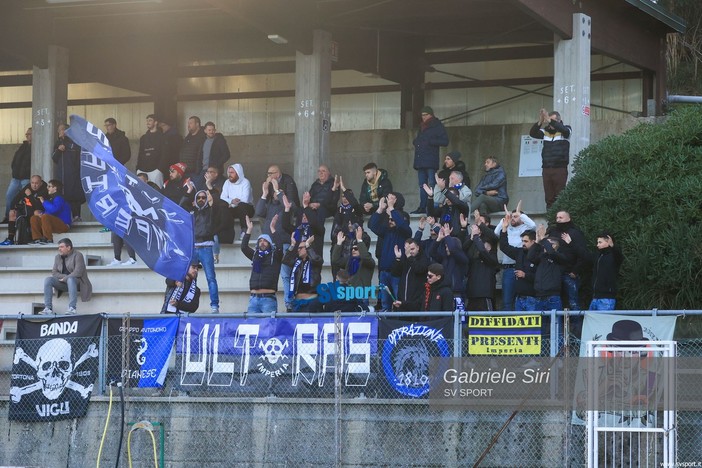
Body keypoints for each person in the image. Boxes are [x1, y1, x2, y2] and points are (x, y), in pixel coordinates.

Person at [368, 194, 412, 311]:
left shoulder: (404, 232)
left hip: (398, 273)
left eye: (393, 219)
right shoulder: (386, 231)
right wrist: (380, 209)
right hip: (384, 272)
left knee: (399, 303)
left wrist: (392, 209)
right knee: (385, 305)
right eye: (389, 219)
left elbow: (402, 224)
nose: (390, 221)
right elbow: (372, 225)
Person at [562, 231, 624, 311]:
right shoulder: (597, 256)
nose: (597, 245)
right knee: (592, 322)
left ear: (608, 242)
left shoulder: (614, 256)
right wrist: (571, 243)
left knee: (602, 322)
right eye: (597, 242)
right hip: (595, 298)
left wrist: (613, 247)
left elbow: (619, 256)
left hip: (607, 298)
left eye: (600, 242)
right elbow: (584, 254)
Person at [493, 201, 536, 311]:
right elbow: (495, 233)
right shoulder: (506, 228)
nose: (512, 218)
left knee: (523, 299)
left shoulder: (526, 229)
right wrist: (504, 220)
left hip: (522, 268)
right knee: (507, 301)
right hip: (509, 269)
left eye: (515, 217)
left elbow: (533, 225)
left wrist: (520, 215)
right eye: (511, 216)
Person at [529, 109, 571, 209]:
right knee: (549, 198)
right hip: (547, 169)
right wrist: (540, 121)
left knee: (560, 196)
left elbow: (565, 131)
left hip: (560, 168)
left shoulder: (566, 130)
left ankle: (560, 219)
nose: (549, 123)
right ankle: (551, 221)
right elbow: (532, 133)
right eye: (548, 120)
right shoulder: (545, 132)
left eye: (552, 121)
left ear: (559, 121)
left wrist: (549, 119)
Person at [241, 215, 283, 314]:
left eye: (265, 241)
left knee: (269, 328)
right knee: (251, 328)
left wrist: (272, 228)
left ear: (270, 243)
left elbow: (280, 247)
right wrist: (249, 230)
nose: (262, 242)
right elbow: (244, 247)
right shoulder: (255, 255)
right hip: (253, 299)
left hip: (268, 299)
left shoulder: (275, 256)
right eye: (260, 241)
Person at [412, 106, 449, 214]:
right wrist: (417, 142)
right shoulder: (422, 126)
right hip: (420, 160)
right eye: (422, 115)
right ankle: (422, 206)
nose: (423, 117)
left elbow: (445, 141)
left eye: (425, 115)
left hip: (431, 160)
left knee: (432, 184)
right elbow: (420, 139)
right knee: (422, 185)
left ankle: (431, 206)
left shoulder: (437, 125)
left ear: (431, 115)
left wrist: (429, 142)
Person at [547, 210, 587, 310]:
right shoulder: (552, 232)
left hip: (569, 273)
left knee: (573, 302)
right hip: (554, 273)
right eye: (557, 218)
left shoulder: (575, 233)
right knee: (554, 302)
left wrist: (575, 270)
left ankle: (576, 325)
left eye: (561, 218)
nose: (558, 220)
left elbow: (583, 254)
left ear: (568, 219)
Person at [41, 238, 92, 315]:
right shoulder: (57, 257)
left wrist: (65, 278)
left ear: (68, 247)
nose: (59, 249)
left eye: (61, 247)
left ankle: (72, 308)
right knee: (48, 280)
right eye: (59, 247)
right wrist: (64, 277)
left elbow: (78, 272)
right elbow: (54, 272)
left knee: (71, 279)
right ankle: (48, 308)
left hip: (78, 283)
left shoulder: (78, 255)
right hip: (64, 283)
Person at [189, 189, 221, 313]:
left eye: (204, 197)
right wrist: (188, 193)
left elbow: (217, 216)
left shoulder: (212, 211)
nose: (201, 199)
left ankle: (214, 306)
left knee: (211, 278)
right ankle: (189, 304)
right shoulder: (192, 213)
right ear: (195, 200)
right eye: (199, 198)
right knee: (191, 278)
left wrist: (212, 202)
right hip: (193, 248)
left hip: (207, 248)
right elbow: (180, 206)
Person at [498, 223, 538, 312]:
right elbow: (504, 246)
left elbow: (541, 277)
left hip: (533, 298)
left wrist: (525, 275)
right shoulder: (519, 252)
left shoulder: (540, 254)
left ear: (533, 241)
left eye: (526, 241)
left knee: (533, 324)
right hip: (519, 298)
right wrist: (504, 229)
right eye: (522, 241)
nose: (523, 243)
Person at [1, 175, 47, 245]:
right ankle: (10, 238)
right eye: (32, 183)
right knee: (12, 213)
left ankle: (37, 237)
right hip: (28, 210)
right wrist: (12, 208)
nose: (34, 185)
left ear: (40, 183)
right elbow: (16, 198)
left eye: (36, 183)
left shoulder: (44, 189)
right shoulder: (28, 186)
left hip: (39, 210)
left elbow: (37, 206)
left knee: (36, 212)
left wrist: (30, 196)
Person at [464, 224, 500, 311]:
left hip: (485, 294)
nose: (482, 246)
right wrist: (472, 238)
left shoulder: (492, 258)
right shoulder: (474, 258)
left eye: (484, 244)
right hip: (472, 293)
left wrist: (476, 236)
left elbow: (482, 251)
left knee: (486, 320)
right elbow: (463, 249)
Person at [283, 233, 323, 312]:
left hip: (311, 301)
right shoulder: (297, 262)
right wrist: (292, 245)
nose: (298, 250)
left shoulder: (316, 260)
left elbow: (315, 260)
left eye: (301, 248)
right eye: (298, 248)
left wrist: (308, 245)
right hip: (298, 302)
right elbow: (285, 260)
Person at [52, 124, 84, 221]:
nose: (60, 132)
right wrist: (58, 150)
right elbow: (54, 158)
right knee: (62, 196)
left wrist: (66, 145)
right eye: (59, 130)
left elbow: (80, 152)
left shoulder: (75, 141)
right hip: (61, 175)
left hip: (74, 174)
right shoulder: (57, 143)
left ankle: (76, 216)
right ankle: (64, 218)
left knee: (74, 196)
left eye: (62, 130)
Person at [331, 226, 375, 293]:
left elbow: (365, 257)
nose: (353, 250)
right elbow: (335, 261)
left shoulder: (368, 261)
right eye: (352, 248)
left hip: (362, 294)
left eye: (356, 249)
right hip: (349, 293)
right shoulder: (350, 260)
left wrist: (359, 241)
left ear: (362, 248)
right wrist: (339, 243)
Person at [391, 238, 430, 312]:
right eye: (407, 250)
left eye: (412, 249)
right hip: (403, 301)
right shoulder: (406, 260)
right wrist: (398, 259)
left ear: (418, 248)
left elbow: (419, 269)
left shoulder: (424, 259)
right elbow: (395, 273)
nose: (410, 252)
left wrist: (409, 257)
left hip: (416, 302)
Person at [3, 127, 32, 223]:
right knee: (9, 196)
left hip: (27, 178)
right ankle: (8, 217)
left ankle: (26, 216)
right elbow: (15, 160)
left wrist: (27, 172)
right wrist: (14, 170)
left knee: (27, 198)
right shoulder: (22, 146)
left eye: (29, 134)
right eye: (26, 134)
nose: (27, 136)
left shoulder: (36, 147)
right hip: (16, 178)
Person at [31, 179, 72, 244]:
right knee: (34, 218)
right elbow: (48, 213)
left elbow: (54, 210)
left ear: (55, 188)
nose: (47, 188)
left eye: (49, 186)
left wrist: (44, 202)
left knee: (45, 217)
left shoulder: (59, 198)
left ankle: (48, 239)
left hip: (64, 225)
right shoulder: (51, 198)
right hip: (53, 224)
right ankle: (37, 239)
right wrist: (40, 214)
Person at [220, 163, 254, 240]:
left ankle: (244, 231)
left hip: (247, 209)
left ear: (238, 173)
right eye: (228, 172)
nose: (229, 174)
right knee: (222, 207)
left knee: (241, 205)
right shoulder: (227, 182)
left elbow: (245, 200)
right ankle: (226, 234)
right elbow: (222, 197)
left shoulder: (245, 182)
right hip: (233, 208)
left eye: (232, 172)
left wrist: (231, 203)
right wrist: (231, 201)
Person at [136, 114, 166, 187]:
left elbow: (165, 154)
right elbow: (140, 154)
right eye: (147, 121)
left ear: (156, 122)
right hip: (142, 170)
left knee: (156, 192)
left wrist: (159, 169)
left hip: (156, 170)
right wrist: (138, 169)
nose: (148, 122)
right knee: (140, 190)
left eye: (150, 120)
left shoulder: (162, 137)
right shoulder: (143, 138)